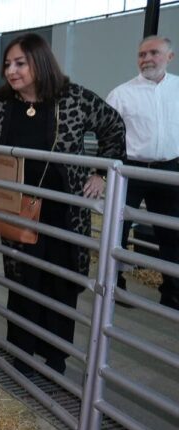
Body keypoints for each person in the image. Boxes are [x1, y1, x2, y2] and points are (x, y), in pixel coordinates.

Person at [0, 33, 125, 375]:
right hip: (18, 208)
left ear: (40, 62)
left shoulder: (74, 98)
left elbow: (113, 126)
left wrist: (102, 171)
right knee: (23, 277)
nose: (11, 71)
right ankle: (22, 354)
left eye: (20, 63)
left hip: (65, 210)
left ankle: (56, 357)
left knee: (63, 279)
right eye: (8, 64)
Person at [106, 35, 179, 310]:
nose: (146, 59)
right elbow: (107, 135)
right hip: (131, 171)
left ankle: (173, 290)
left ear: (169, 56)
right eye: (141, 54)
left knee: (173, 234)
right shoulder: (121, 94)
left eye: (154, 53)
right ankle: (115, 283)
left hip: (169, 171)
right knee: (118, 229)